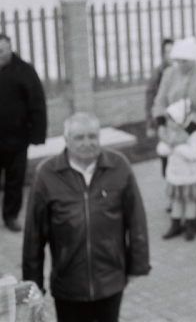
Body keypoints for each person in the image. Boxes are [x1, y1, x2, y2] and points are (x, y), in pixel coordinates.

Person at [22, 113, 150, 322]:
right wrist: (32, 285)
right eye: (79, 138)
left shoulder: (119, 166)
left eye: (93, 136)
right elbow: (33, 235)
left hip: (110, 280)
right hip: (68, 284)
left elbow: (136, 219)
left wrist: (138, 264)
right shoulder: (46, 174)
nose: (87, 143)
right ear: (66, 140)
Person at [152, 37, 196, 233]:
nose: (181, 64)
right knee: (176, 175)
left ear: (193, 59)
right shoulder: (169, 73)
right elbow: (160, 101)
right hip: (174, 134)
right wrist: (160, 126)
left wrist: (187, 132)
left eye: (185, 61)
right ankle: (177, 218)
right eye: (178, 60)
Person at [0, 34, 47, 233]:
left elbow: (37, 103)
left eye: (2, 50)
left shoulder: (25, 71)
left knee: (15, 179)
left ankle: (11, 215)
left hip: (17, 138)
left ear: (10, 49)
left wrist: (37, 135)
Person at [157, 99, 196, 241]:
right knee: (177, 201)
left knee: (190, 201)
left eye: (171, 120)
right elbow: (161, 149)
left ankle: (190, 225)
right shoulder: (170, 134)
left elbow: (195, 153)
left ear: (181, 119)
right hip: (175, 176)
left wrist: (177, 147)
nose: (169, 124)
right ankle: (176, 224)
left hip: (190, 176)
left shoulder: (193, 134)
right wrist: (168, 145)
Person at [145, 38, 174, 177]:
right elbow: (150, 98)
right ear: (163, 54)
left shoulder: (181, 70)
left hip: (179, 119)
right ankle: (168, 180)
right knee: (165, 151)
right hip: (164, 119)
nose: (171, 54)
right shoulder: (159, 73)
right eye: (167, 51)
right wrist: (150, 124)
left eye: (172, 50)